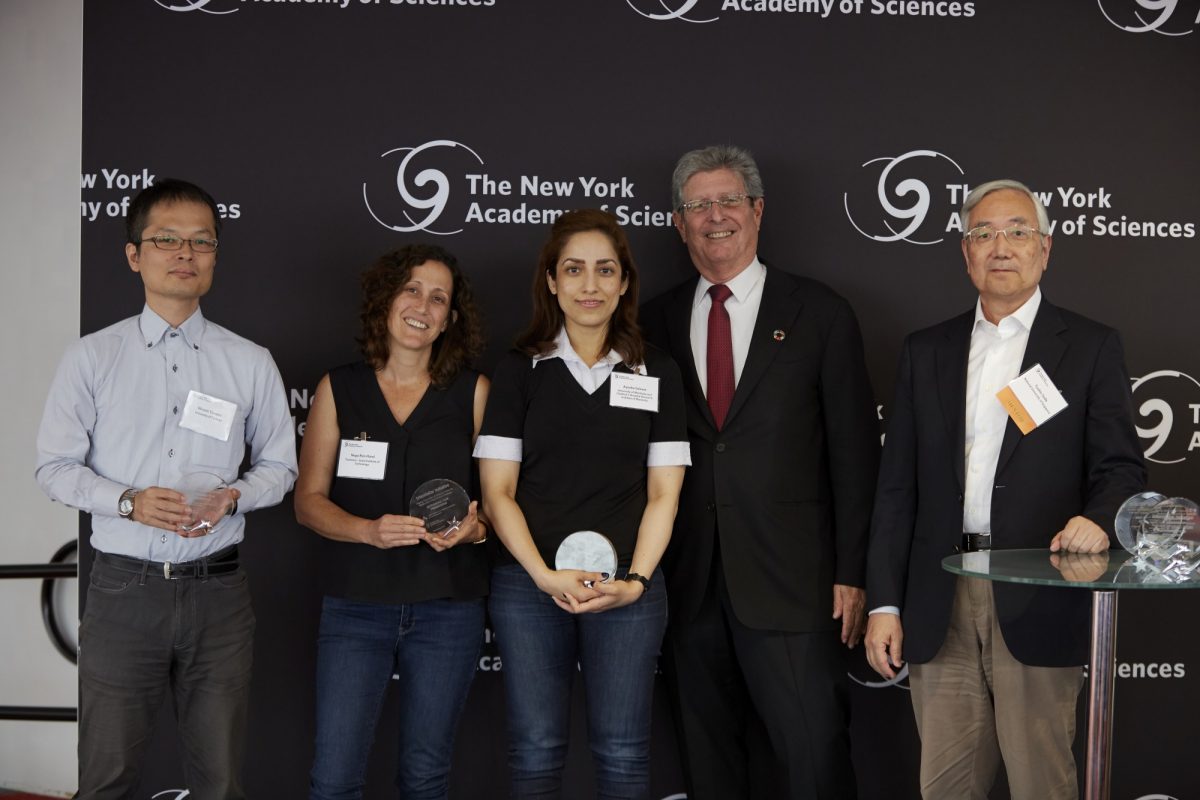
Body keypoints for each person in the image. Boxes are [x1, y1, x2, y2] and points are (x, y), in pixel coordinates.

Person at [864, 179, 1146, 799]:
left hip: (1037, 590)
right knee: (946, 788)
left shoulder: (1089, 346)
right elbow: (896, 489)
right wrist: (884, 602)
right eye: (984, 233)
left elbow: (1121, 468)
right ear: (965, 252)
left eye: (1018, 231)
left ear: (1045, 248)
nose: (1001, 246)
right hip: (938, 594)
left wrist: (1100, 519)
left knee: (1041, 783)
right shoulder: (925, 350)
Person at [35, 178, 298, 799]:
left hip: (218, 594)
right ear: (135, 255)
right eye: (167, 240)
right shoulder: (92, 357)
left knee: (220, 782)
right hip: (124, 592)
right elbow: (54, 468)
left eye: (202, 241)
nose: (186, 253)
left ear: (215, 255)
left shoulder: (249, 360)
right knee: (105, 778)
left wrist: (234, 496)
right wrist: (127, 501)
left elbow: (281, 468)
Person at [640, 145, 880, 799]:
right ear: (678, 223)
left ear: (757, 210)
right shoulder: (650, 322)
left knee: (813, 762)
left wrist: (854, 572)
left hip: (795, 586)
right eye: (698, 205)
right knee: (708, 767)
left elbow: (856, 455)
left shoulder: (819, 313)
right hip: (687, 586)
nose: (715, 216)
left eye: (729, 201)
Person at [475, 208, 690, 799]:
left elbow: (664, 493)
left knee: (623, 754)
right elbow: (497, 493)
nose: (589, 285)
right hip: (529, 585)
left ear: (624, 283)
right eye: (573, 270)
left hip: (626, 586)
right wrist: (542, 575)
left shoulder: (657, 371)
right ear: (551, 281)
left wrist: (636, 581)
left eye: (605, 270)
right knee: (536, 751)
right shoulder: (519, 371)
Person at [294, 244, 491, 800]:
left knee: (426, 777)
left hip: (447, 608)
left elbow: (500, 503)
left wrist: (477, 529)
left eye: (438, 298)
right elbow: (307, 501)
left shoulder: (475, 393)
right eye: (411, 290)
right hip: (356, 606)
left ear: (449, 319)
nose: (422, 307)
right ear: (386, 300)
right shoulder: (339, 388)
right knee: (334, 779)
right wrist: (367, 531)